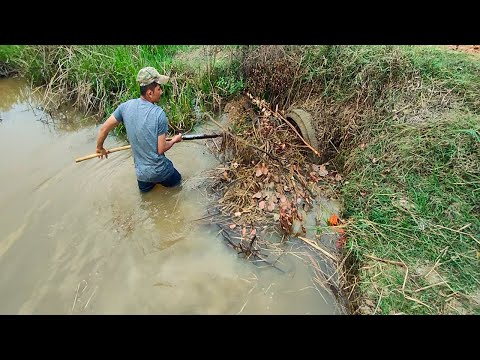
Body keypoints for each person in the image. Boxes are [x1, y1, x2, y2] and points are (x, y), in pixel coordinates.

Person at [95, 66, 183, 193]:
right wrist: (174, 140)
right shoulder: (159, 114)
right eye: (159, 89)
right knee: (180, 186)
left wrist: (99, 148)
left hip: (142, 175)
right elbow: (161, 149)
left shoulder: (124, 107)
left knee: (147, 202)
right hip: (161, 171)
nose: (161, 92)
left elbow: (104, 129)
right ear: (150, 93)